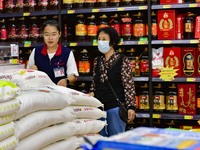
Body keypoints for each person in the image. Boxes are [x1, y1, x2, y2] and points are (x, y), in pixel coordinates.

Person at [89, 27, 136, 137]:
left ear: (113, 41)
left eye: (104, 39)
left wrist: (131, 107)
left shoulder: (121, 59)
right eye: (99, 39)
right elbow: (94, 84)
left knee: (116, 140)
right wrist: (90, 94)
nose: (101, 42)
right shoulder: (97, 61)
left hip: (115, 107)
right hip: (99, 108)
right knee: (101, 140)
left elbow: (128, 84)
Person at [27, 19, 79, 87]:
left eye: (54, 34)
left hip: (60, 91)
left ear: (59, 34)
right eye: (47, 34)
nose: (50, 38)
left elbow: (74, 75)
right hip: (40, 92)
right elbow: (27, 75)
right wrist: (31, 71)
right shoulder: (35, 52)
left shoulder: (67, 53)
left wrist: (66, 81)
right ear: (43, 35)